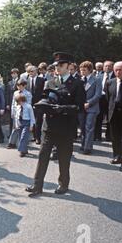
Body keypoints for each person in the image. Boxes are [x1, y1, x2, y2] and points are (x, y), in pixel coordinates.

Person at [26, 52, 85, 198]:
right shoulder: (50, 81)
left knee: (64, 158)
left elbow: (80, 107)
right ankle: (37, 185)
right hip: (50, 125)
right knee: (43, 155)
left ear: (69, 66)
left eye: (61, 65)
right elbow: (45, 98)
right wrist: (42, 105)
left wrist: (63, 109)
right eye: (56, 65)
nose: (57, 67)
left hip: (66, 127)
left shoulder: (77, 84)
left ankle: (63, 183)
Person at [78, 61, 103, 155]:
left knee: (89, 127)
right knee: (82, 127)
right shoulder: (80, 80)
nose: (82, 71)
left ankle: (88, 147)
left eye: (84, 70)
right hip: (81, 107)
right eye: (81, 70)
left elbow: (98, 94)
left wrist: (89, 103)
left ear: (89, 70)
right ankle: (83, 143)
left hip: (92, 107)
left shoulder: (97, 80)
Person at [7, 79, 32, 149]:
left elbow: (28, 104)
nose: (19, 88)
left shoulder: (28, 94)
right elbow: (13, 103)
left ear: (24, 86)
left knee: (23, 131)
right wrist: (12, 112)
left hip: (24, 114)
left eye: (21, 86)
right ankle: (11, 143)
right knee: (15, 128)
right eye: (18, 86)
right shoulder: (15, 93)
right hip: (16, 113)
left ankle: (23, 146)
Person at [95, 60, 115, 141]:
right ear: (103, 67)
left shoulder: (115, 76)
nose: (107, 67)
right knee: (98, 117)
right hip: (100, 99)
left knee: (109, 118)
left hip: (110, 99)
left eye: (109, 66)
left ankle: (108, 136)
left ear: (112, 67)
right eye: (105, 66)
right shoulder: (99, 76)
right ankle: (97, 136)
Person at [27, 65, 46, 144]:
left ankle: (38, 137)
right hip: (29, 104)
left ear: (36, 71)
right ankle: (34, 136)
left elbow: (44, 92)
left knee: (38, 121)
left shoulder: (41, 80)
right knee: (31, 121)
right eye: (29, 71)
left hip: (39, 104)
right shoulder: (26, 80)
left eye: (32, 71)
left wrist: (42, 102)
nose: (30, 73)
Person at [5, 69, 20, 138]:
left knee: (19, 118)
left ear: (17, 74)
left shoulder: (20, 81)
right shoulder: (9, 83)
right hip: (11, 103)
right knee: (11, 119)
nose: (13, 74)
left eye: (15, 73)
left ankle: (18, 134)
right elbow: (7, 94)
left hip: (19, 102)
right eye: (12, 73)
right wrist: (7, 104)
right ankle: (11, 133)